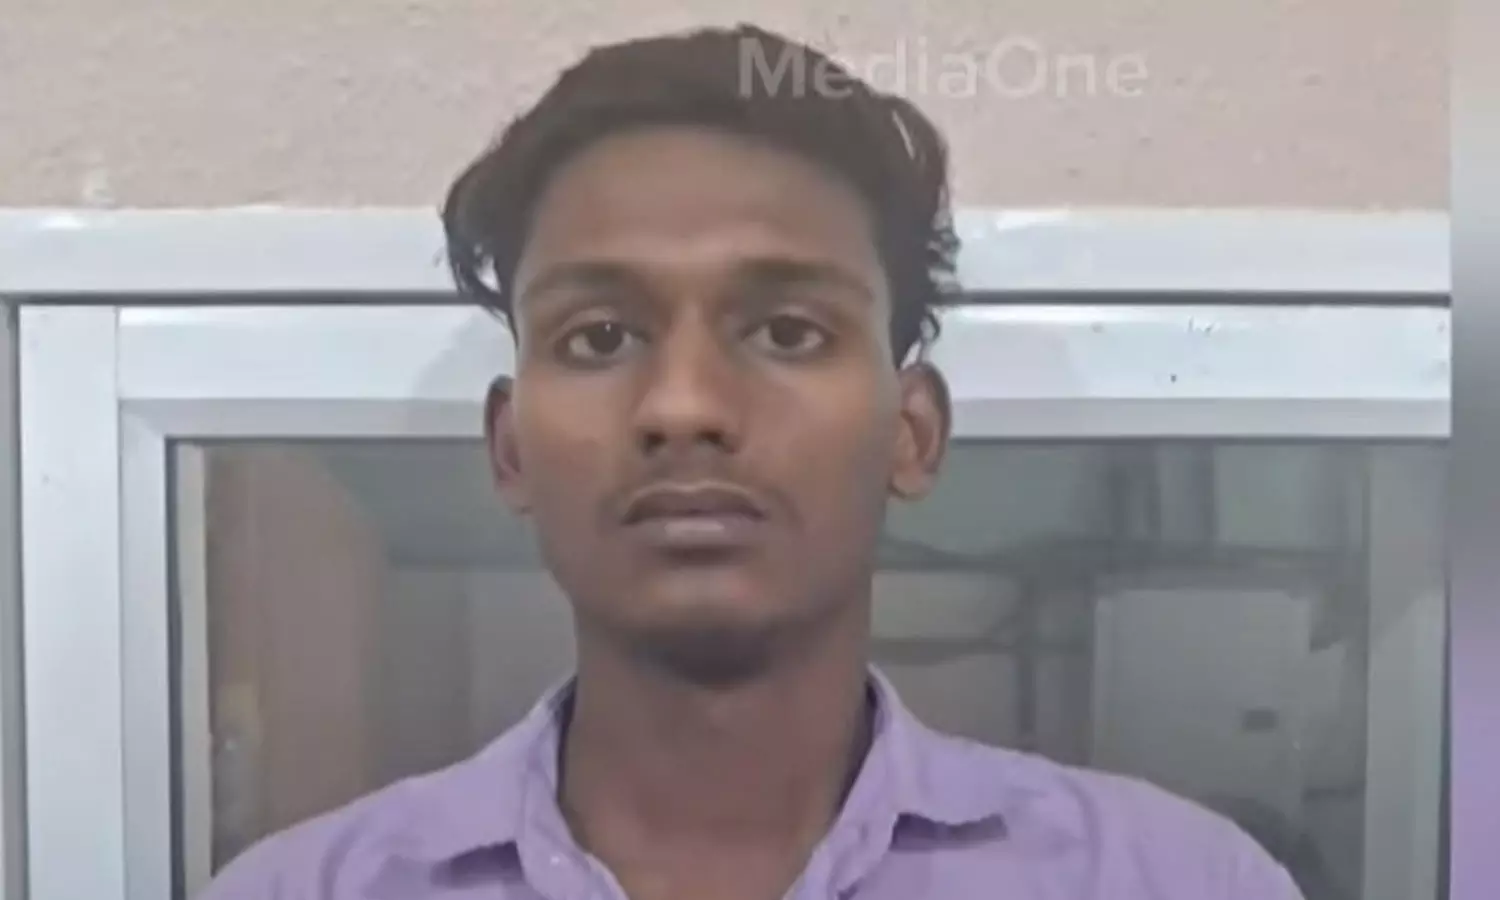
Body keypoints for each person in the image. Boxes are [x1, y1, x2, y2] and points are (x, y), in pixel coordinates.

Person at [200, 23, 1304, 900]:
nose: (684, 407)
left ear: (912, 432)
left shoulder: (1176, 882)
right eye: (599, 336)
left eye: (786, 331)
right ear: (511, 447)